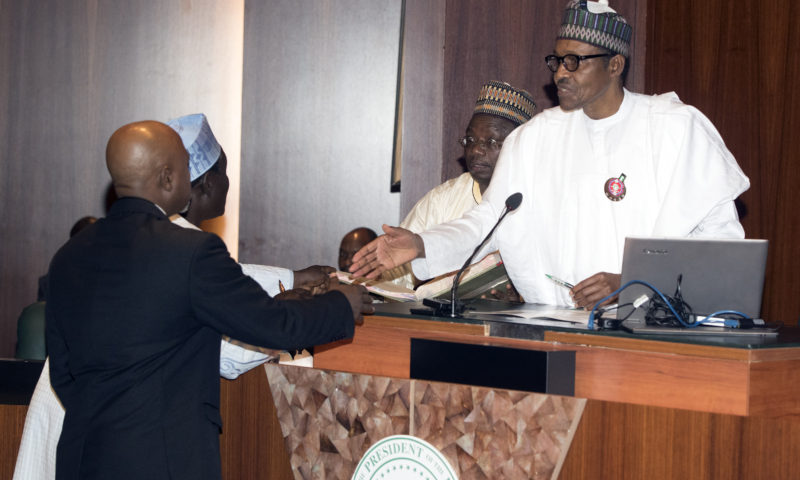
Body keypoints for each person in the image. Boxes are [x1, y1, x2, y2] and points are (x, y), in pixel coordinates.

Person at [350, 0, 749, 310]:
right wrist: (423, 244)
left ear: (614, 64)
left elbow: (719, 248)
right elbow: (489, 220)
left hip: (652, 330)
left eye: (575, 61)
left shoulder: (675, 127)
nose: (560, 72)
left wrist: (634, 280)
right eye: (557, 60)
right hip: (560, 327)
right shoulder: (536, 136)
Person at [44, 120, 372, 480]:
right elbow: (272, 325)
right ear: (168, 178)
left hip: (81, 459)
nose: (192, 175)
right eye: (186, 166)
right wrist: (342, 304)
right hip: (161, 462)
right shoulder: (189, 252)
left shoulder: (66, 257)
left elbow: (63, 374)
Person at [390, 81, 535, 290]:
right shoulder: (442, 200)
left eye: (492, 142)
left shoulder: (540, 197)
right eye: (470, 139)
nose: (476, 150)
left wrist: (521, 296)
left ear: (520, 147)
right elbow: (396, 271)